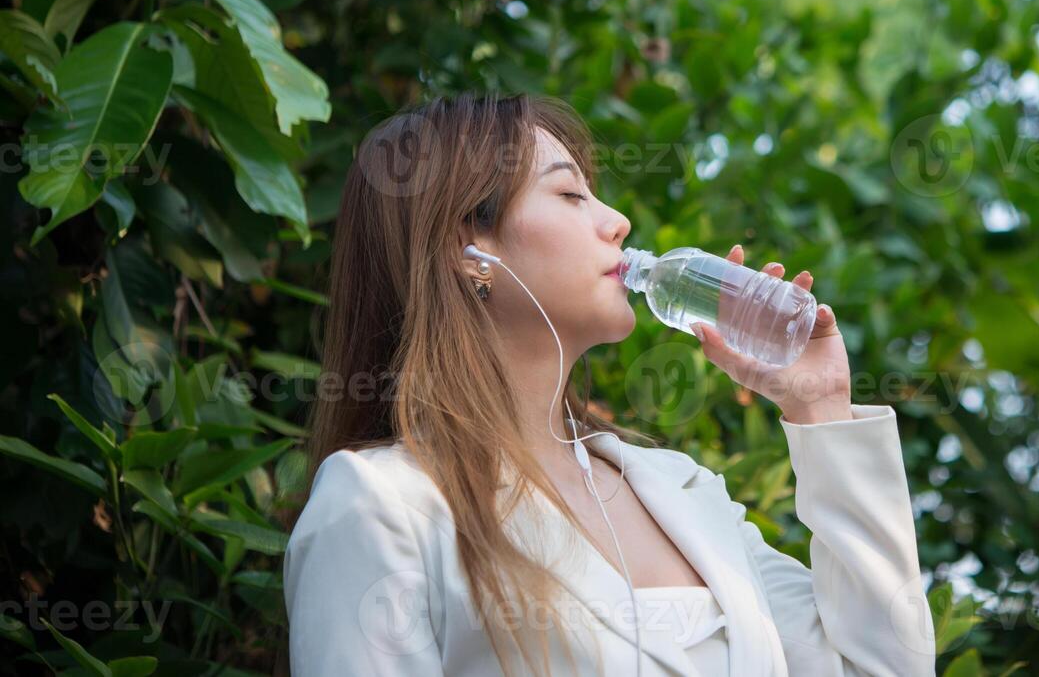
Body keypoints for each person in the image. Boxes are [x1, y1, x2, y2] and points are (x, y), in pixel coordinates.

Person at [282, 92, 936, 676]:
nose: (617, 220)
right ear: (467, 248)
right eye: (570, 195)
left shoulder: (685, 496)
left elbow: (880, 668)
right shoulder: (383, 505)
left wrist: (819, 405)